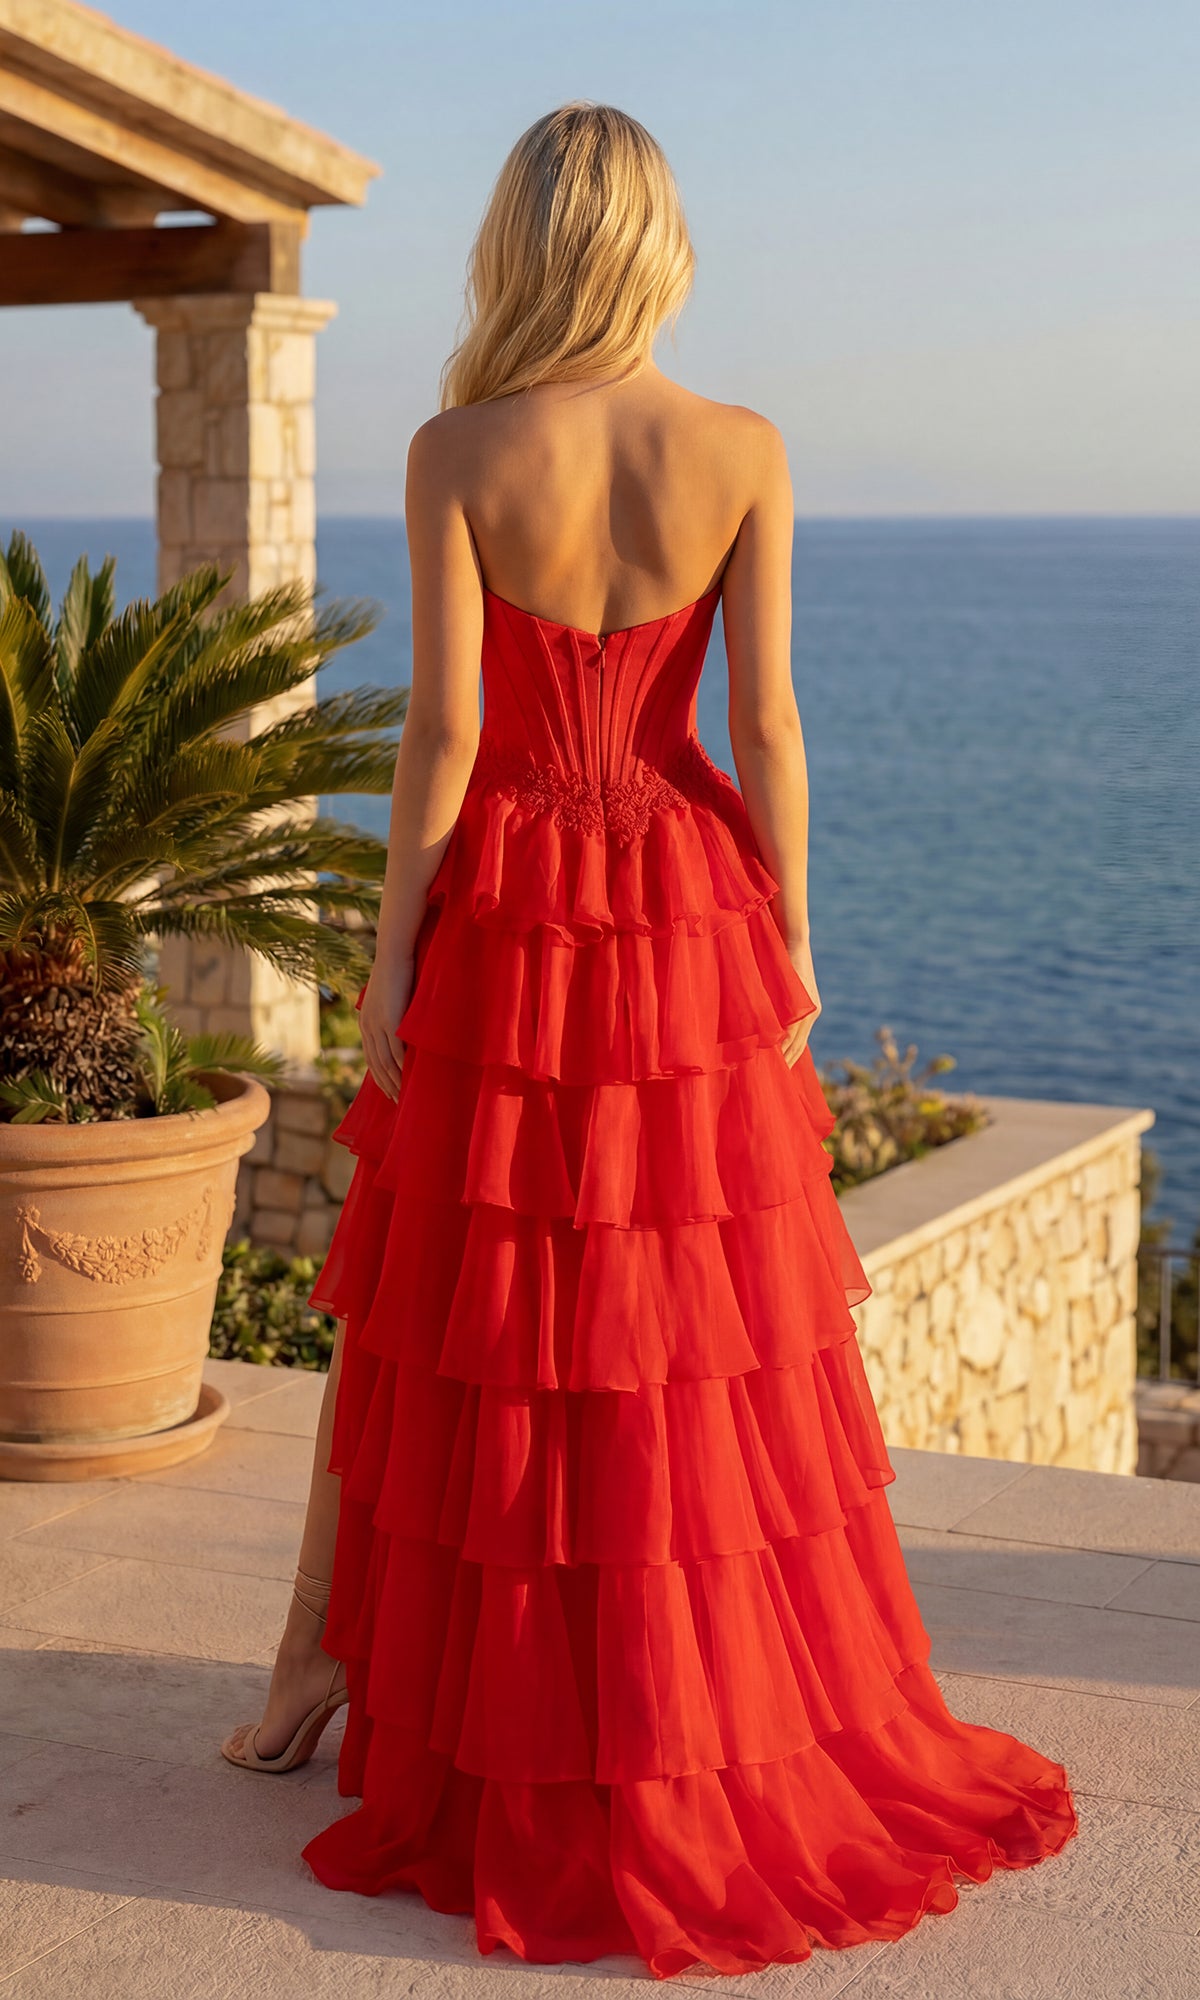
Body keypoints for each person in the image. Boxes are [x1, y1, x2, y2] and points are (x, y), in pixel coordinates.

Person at [221, 100, 1079, 1978]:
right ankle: (674, 1717)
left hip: (519, 913)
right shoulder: (746, 446)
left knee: (476, 1321)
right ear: (660, 241)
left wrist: (385, 968)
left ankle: (352, 1682)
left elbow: (442, 745)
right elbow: (767, 726)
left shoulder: (458, 447)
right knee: (687, 1338)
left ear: (525, 241)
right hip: (687, 909)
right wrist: (789, 934)